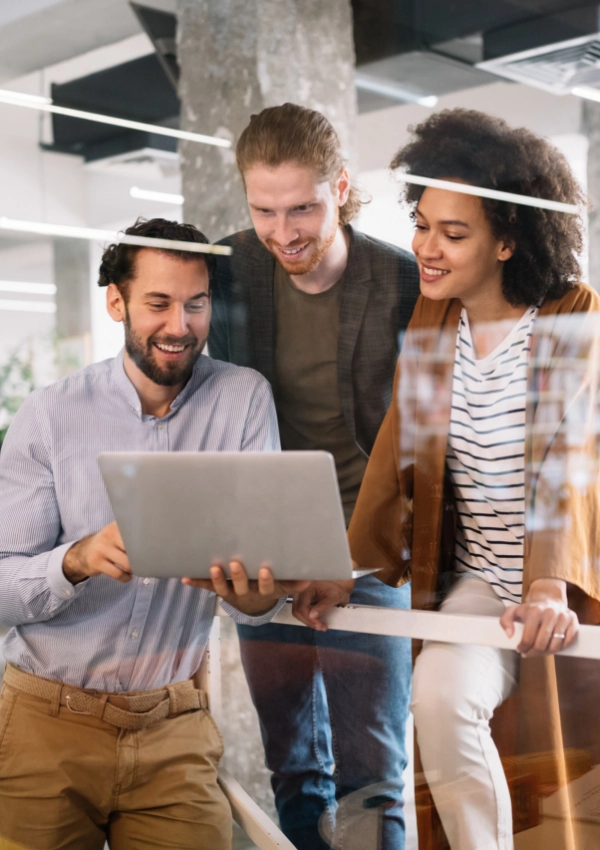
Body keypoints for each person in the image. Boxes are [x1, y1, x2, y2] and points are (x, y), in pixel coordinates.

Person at [295, 108, 600, 850]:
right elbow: (404, 456)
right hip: (484, 580)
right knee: (436, 698)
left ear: (507, 241)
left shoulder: (574, 314)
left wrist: (551, 582)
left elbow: (571, 463)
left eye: (453, 234)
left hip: (570, 581)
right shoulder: (434, 323)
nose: (426, 248)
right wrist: (345, 568)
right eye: (423, 223)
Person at [0, 217, 309, 850]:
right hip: (46, 723)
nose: (179, 326)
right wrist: (77, 559)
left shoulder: (244, 400)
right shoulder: (51, 416)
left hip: (173, 725)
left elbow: (256, 603)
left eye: (195, 304)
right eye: (158, 304)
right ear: (117, 301)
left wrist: (253, 586)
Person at [209, 103, 420, 850]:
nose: (284, 233)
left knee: (374, 771)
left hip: (368, 550)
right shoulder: (230, 272)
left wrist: (364, 554)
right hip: (267, 548)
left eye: (302, 207)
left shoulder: (400, 280)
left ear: (340, 187)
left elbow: (422, 446)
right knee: (293, 766)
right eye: (264, 211)